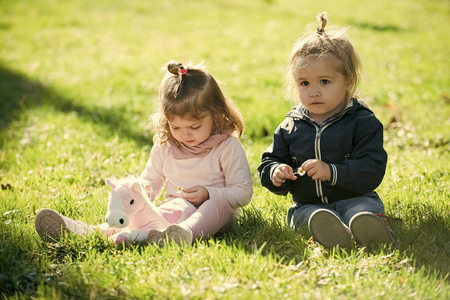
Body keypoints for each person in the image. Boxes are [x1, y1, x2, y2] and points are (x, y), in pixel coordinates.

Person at [35, 60, 253, 246]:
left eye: (194, 127)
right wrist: (139, 197)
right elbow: (152, 180)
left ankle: (183, 235)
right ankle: (90, 231)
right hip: (174, 208)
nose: (185, 134)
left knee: (218, 206)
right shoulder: (167, 144)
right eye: (175, 127)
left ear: (215, 114)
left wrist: (209, 193)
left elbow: (243, 192)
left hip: (213, 214)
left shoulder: (226, 147)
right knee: (148, 215)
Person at [258, 12, 394, 248]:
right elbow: (269, 161)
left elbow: (372, 168)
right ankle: (332, 231)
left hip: (356, 198)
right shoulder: (290, 125)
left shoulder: (362, 122)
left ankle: (367, 227)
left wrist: (332, 171)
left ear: (348, 82)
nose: (314, 91)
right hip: (308, 205)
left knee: (362, 212)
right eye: (304, 83)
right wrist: (275, 173)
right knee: (306, 217)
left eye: (324, 82)